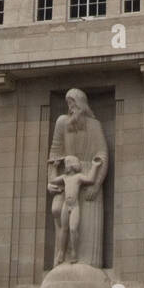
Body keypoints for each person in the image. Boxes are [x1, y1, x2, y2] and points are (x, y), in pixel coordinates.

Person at [47, 89, 109, 267]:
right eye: (68, 104)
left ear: (82, 104)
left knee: (80, 226)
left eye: (73, 103)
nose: (71, 107)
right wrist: (51, 180)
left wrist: (96, 184)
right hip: (66, 177)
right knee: (56, 210)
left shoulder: (94, 125)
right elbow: (54, 153)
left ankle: (84, 262)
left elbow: (102, 153)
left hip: (88, 174)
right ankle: (61, 257)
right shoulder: (62, 122)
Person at [48, 155, 103, 265]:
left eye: (67, 164)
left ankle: (74, 251)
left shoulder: (78, 177)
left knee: (73, 229)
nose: (65, 167)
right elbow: (53, 180)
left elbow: (91, 179)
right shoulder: (64, 177)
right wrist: (54, 167)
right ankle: (61, 252)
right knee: (64, 229)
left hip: (75, 206)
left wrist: (95, 166)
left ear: (72, 166)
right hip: (65, 205)